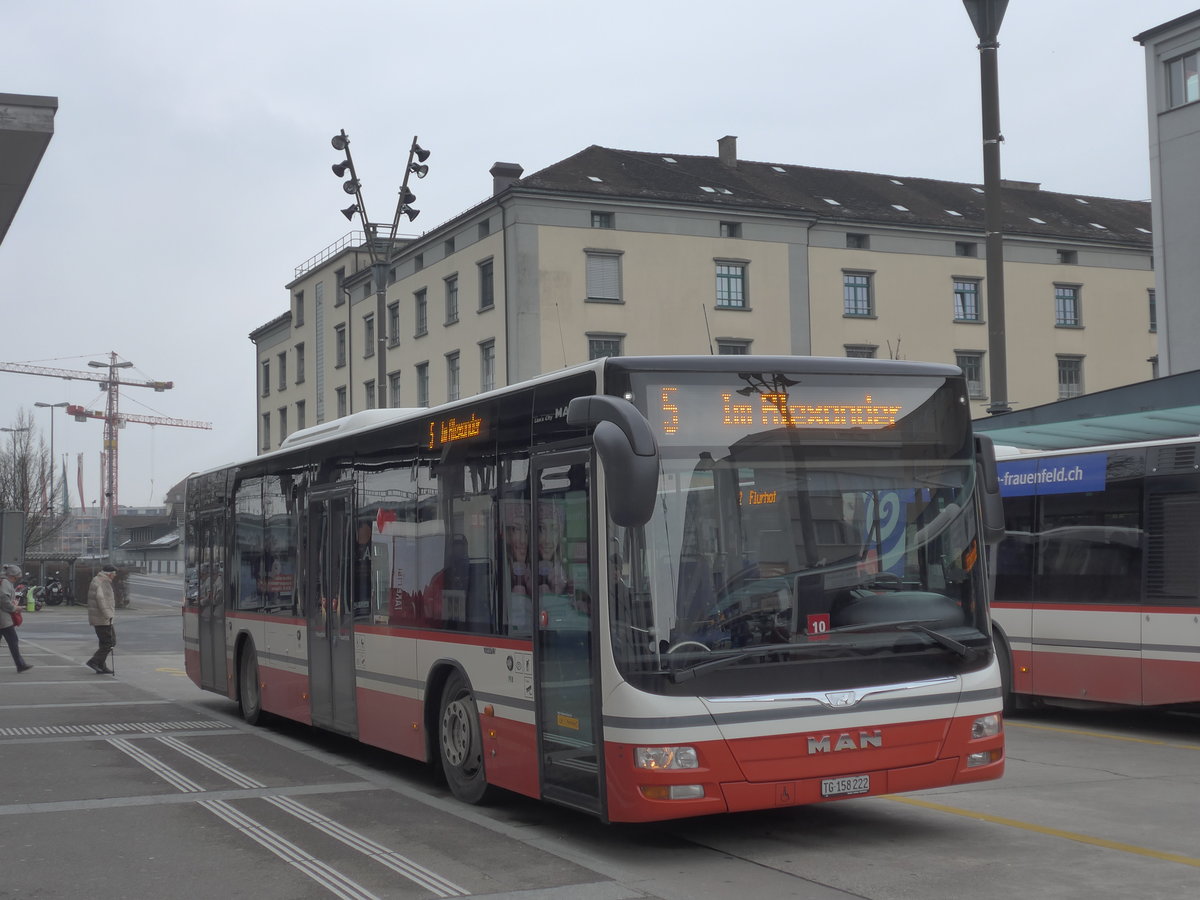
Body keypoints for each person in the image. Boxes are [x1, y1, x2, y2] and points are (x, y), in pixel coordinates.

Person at [0, 563, 33, 673]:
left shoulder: (4, 581)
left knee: (13, 641)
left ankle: (20, 664)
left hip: (3, 618)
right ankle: (20, 665)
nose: (16, 580)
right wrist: (14, 608)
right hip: (3, 619)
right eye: (16, 577)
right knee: (13, 641)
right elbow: (4, 599)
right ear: (12, 576)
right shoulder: (5, 583)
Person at [86, 565, 118, 675]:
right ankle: (94, 661)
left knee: (105, 642)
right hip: (103, 618)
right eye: (114, 574)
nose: (114, 576)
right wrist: (108, 614)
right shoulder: (103, 582)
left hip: (100, 617)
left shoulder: (98, 580)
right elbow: (101, 600)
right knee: (110, 642)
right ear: (109, 573)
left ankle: (101, 665)